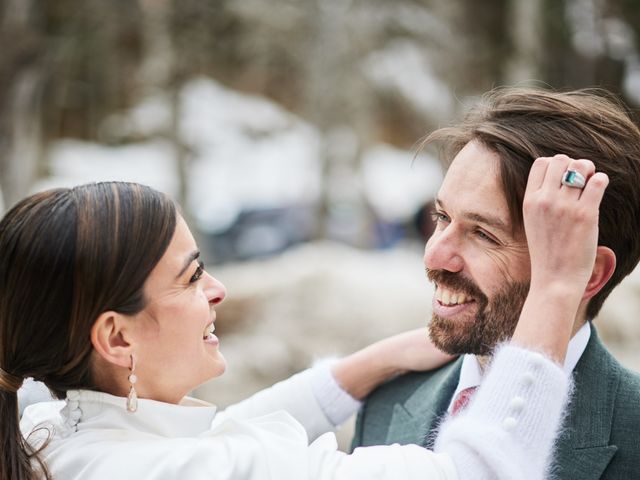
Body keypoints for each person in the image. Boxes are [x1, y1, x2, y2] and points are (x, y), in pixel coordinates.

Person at [0, 172, 602, 480]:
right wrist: (554, 286)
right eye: (191, 277)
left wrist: (370, 364)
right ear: (116, 337)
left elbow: (223, 436)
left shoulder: (51, 430)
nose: (218, 290)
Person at [353, 88, 640, 479]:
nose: (434, 255)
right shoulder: (387, 401)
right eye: (441, 216)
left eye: (484, 234)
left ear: (588, 273)